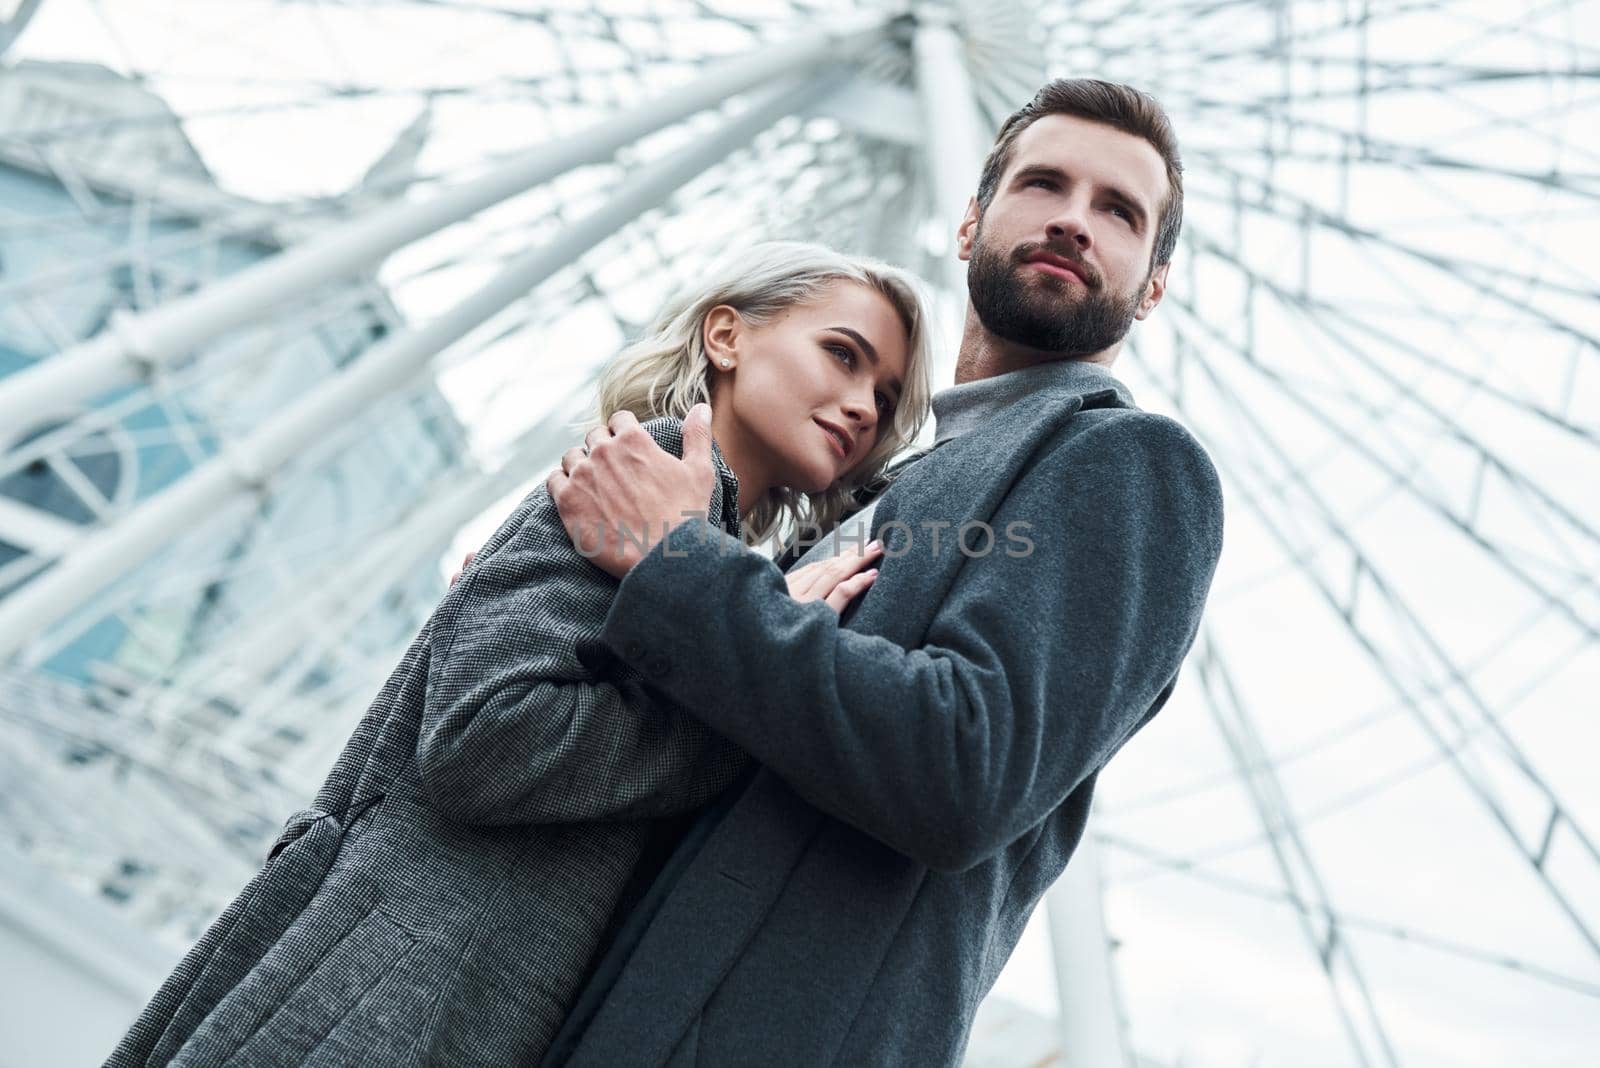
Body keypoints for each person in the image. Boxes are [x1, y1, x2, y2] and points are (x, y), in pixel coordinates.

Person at [104, 241, 935, 1068]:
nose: (862, 405)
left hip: (453, 989)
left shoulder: (708, 546)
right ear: (726, 336)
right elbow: (485, 741)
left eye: (885, 394)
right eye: (841, 354)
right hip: (391, 987)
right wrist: (747, 706)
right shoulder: (629, 481)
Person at [540, 79, 1225, 1067]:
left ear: (1150, 284)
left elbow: (965, 767)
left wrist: (674, 565)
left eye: (1118, 211)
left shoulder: (1127, 464)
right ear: (968, 223)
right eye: (1043, 185)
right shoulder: (888, 485)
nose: (1074, 220)